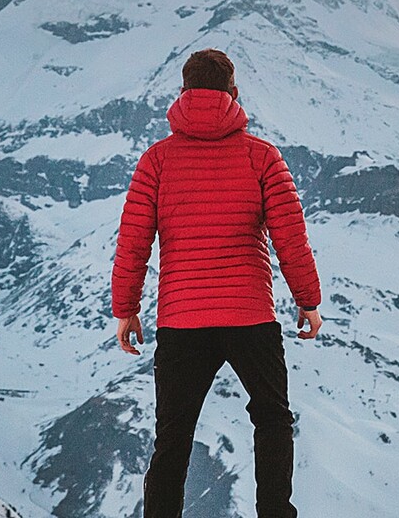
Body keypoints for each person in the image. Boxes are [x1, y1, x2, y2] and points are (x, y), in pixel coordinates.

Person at [111, 48, 323, 518]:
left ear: (183, 94)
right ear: (234, 93)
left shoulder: (157, 161)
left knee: (173, 437)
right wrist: (308, 300)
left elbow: (133, 241)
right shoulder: (262, 157)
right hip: (250, 316)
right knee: (271, 420)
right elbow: (290, 235)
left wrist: (126, 308)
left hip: (182, 322)